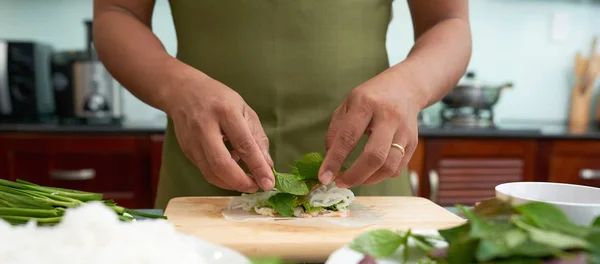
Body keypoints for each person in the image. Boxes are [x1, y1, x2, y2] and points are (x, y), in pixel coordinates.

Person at [93, 0, 472, 209]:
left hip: (365, 176)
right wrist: (176, 89)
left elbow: (448, 20)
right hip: (205, 175)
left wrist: (410, 85)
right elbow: (116, 12)